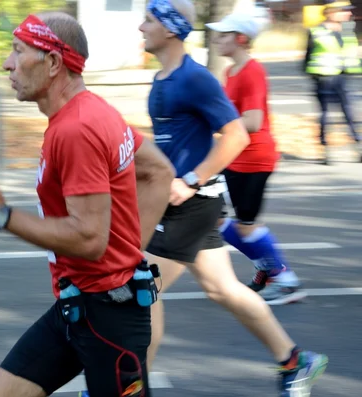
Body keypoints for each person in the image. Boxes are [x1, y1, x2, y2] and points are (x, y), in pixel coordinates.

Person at [0, 11, 174, 397]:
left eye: (18, 51)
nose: (7, 63)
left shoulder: (77, 129)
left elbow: (89, 238)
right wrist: (127, 252)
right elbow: (159, 172)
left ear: (54, 63)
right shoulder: (93, 112)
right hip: (78, 308)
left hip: (108, 320)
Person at [139, 1, 328, 396]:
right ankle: (295, 362)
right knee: (222, 288)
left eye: (149, 20)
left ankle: (130, 386)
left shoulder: (195, 78)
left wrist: (190, 179)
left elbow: (239, 134)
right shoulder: (162, 79)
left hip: (193, 203)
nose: (141, 27)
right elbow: (173, 146)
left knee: (142, 289)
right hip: (180, 201)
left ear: (171, 29)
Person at [205, 13, 306, 305]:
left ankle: (286, 281)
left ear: (241, 39)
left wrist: (218, 123)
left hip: (254, 159)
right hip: (235, 157)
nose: (217, 40)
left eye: (224, 35)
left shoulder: (252, 71)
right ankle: (268, 267)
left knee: (244, 225)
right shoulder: (231, 72)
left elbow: (253, 121)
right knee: (215, 219)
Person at [304, 0, 361, 165]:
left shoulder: (347, 31)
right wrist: (315, 75)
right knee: (325, 116)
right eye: (345, 10)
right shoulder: (316, 31)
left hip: (341, 79)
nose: (349, 13)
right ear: (331, 12)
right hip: (324, 80)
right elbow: (308, 59)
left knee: (349, 114)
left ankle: (358, 148)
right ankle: (325, 152)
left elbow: (350, 55)